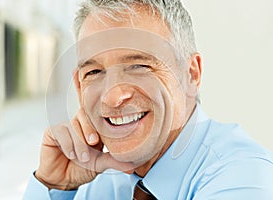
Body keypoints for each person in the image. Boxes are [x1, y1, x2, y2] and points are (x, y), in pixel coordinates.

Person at [23, 0, 273, 199]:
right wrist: (54, 185)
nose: (113, 97)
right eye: (94, 72)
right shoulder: (104, 178)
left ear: (191, 74)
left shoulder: (244, 177)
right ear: (79, 87)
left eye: (139, 66)